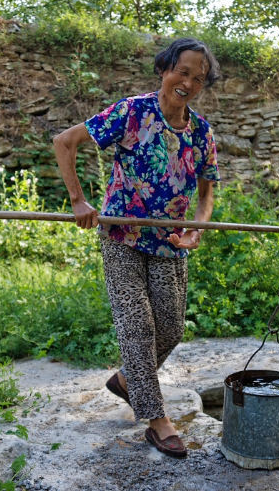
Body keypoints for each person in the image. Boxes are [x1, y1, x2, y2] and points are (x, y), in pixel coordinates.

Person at [53, 38, 221, 459]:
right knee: (137, 328)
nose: (187, 82)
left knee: (171, 327)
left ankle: (128, 381)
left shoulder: (201, 133)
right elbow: (64, 141)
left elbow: (206, 194)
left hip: (169, 244)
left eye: (198, 79)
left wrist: (197, 230)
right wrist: (78, 200)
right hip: (122, 238)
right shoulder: (132, 112)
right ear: (165, 68)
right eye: (182, 71)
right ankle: (156, 418)